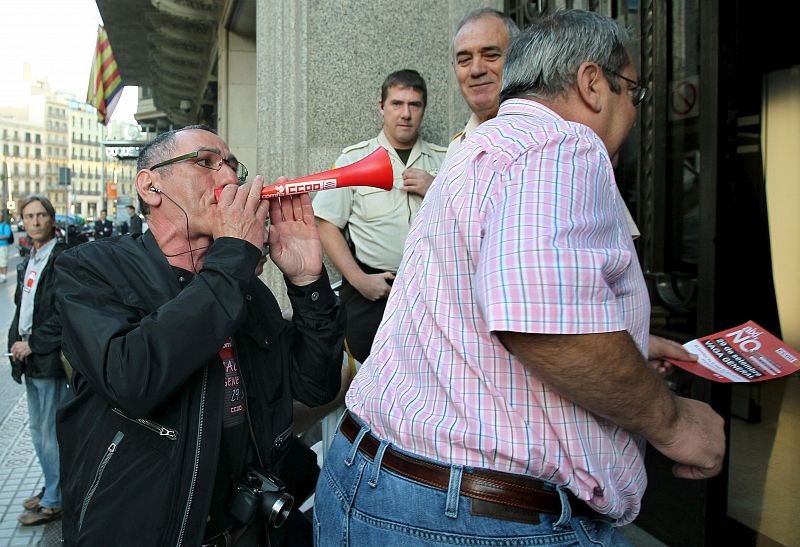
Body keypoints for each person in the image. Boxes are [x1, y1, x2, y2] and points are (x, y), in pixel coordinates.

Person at [314, 10, 725, 547]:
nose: (632, 109)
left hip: (369, 482)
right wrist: (674, 423)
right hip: (471, 518)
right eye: (634, 92)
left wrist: (622, 345)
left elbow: (486, 301)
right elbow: (542, 324)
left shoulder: (476, 152)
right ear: (592, 83)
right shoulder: (562, 144)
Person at [54, 125, 346, 546]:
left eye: (232, 166)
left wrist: (307, 282)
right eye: (206, 162)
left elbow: (316, 386)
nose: (228, 179)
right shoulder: (92, 267)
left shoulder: (245, 287)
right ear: (150, 185)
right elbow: (131, 377)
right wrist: (233, 259)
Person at [313, 69, 447, 363]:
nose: (406, 114)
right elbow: (326, 224)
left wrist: (435, 187)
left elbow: (469, 219)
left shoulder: (447, 159)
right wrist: (359, 279)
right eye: (397, 104)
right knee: (366, 375)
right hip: (374, 294)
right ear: (381, 107)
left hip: (432, 294)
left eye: (414, 105)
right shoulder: (354, 159)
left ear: (424, 109)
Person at [7, 195, 69, 526]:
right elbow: (24, 308)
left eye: (41, 215)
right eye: (29, 216)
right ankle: (52, 487)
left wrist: (33, 344)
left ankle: (56, 499)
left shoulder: (61, 258)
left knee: (48, 433)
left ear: (51, 218)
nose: (34, 221)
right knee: (38, 431)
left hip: (46, 358)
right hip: (29, 359)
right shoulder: (28, 258)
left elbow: (63, 313)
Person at [0, 211, 12, 282]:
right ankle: (1, 275)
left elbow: (7, 235)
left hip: (3, 246)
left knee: (3, 261)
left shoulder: (5, 226)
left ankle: (4, 276)